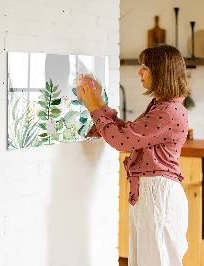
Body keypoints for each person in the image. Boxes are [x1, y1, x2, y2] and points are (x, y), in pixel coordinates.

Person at [78, 44, 190, 266]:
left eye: (145, 67)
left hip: (158, 195)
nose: (139, 72)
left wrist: (93, 108)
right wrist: (99, 103)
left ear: (161, 72)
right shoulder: (163, 106)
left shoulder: (167, 111)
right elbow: (129, 133)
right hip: (153, 193)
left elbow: (121, 141)